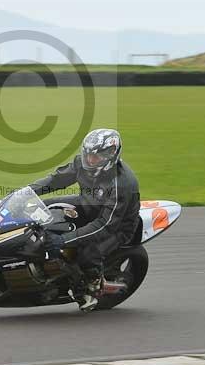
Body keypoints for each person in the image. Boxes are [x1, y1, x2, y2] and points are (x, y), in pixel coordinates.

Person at [29, 128, 140, 310]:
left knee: (87, 252)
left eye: (95, 157)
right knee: (45, 207)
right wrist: (26, 193)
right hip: (88, 205)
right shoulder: (83, 163)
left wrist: (63, 240)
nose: (89, 160)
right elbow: (55, 180)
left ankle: (93, 286)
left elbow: (103, 226)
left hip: (117, 227)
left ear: (111, 155)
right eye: (87, 154)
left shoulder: (123, 184)